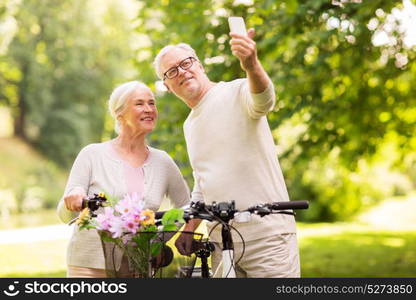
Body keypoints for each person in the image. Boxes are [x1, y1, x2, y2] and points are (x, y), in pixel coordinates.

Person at [153, 28, 300, 277]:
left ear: (199, 65)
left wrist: (251, 65)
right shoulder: (190, 124)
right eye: (172, 71)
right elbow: (204, 183)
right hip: (222, 241)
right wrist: (189, 228)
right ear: (167, 85)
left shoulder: (237, 91)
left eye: (186, 63)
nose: (182, 72)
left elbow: (264, 100)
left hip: (267, 236)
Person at [57, 81, 192, 277]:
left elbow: (186, 207)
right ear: (119, 113)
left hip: (139, 265)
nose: (149, 109)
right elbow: (64, 213)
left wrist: (157, 240)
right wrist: (73, 197)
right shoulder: (92, 154)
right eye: (139, 104)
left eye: (152, 103)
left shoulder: (162, 161)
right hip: (90, 265)